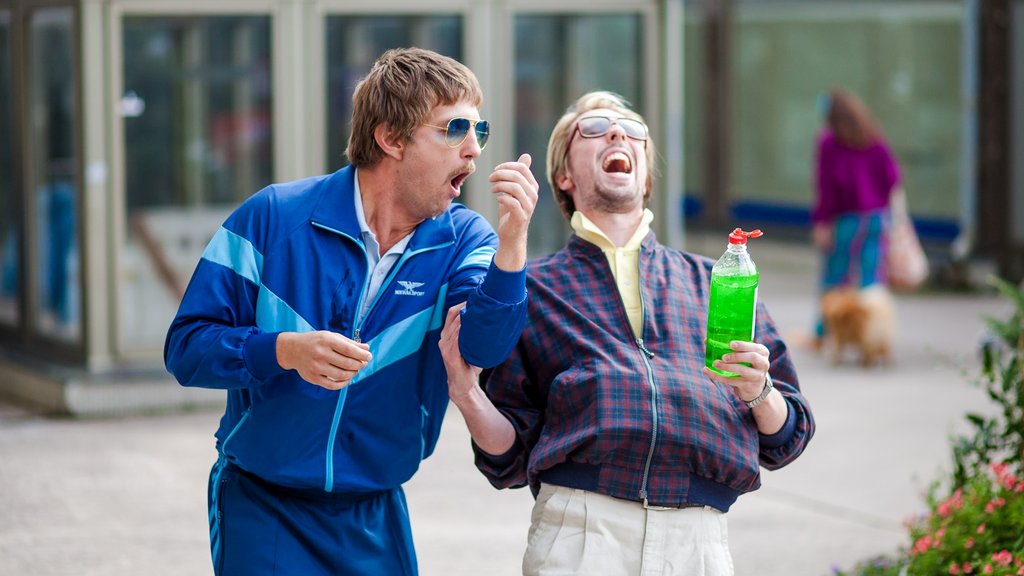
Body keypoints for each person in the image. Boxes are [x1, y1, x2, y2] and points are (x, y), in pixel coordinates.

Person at [164, 47, 539, 575]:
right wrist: (283, 351)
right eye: (454, 128)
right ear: (391, 138)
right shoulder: (273, 216)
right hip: (262, 506)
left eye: (480, 131)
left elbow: (483, 347)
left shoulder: (466, 240)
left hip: (374, 510)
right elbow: (186, 348)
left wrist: (514, 245)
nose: (474, 149)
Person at [439, 91, 816, 575]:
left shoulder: (717, 282)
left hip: (698, 544)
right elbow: (509, 458)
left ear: (647, 177)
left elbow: (789, 435)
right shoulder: (532, 289)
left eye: (633, 130)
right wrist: (467, 394)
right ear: (564, 176)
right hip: (581, 535)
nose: (618, 133)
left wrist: (759, 391)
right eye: (594, 128)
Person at [811, 88, 901, 342]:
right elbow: (892, 177)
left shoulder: (829, 142)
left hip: (847, 220)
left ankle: (825, 332)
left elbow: (826, 186)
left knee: (835, 277)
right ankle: (873, 336)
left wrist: (822, 222)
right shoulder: (873, 138)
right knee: (871, 281)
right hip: (876, 218)